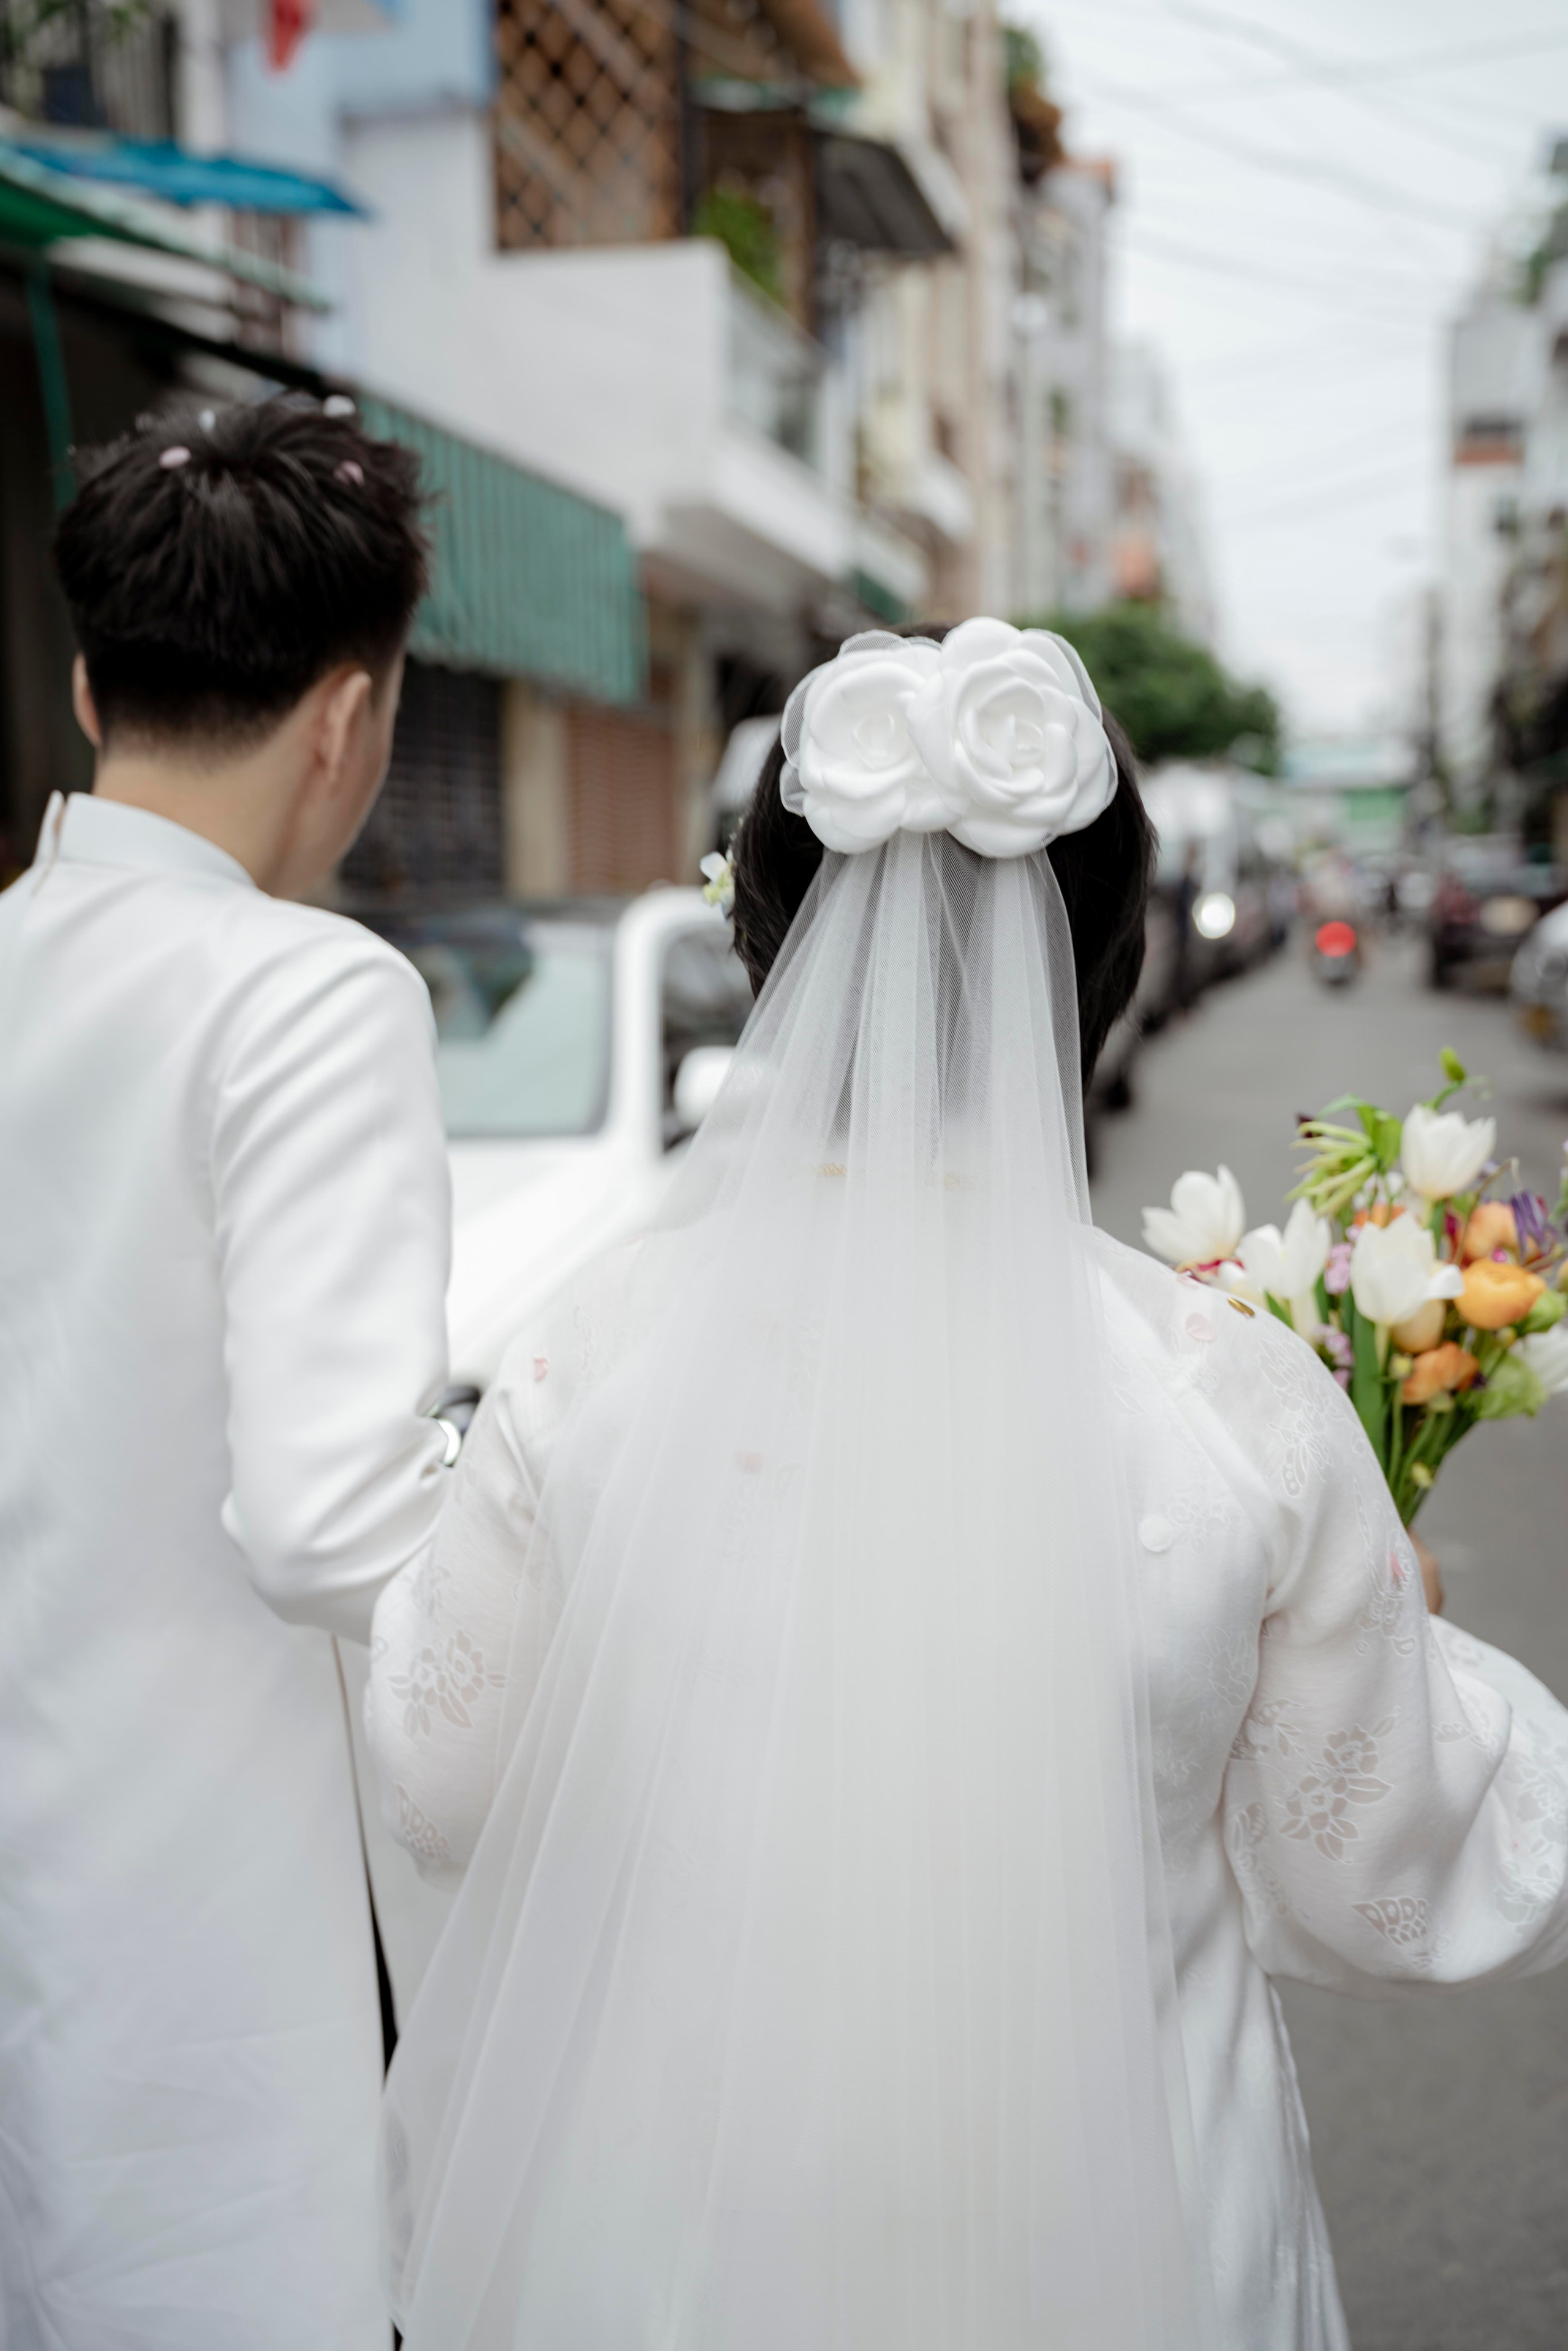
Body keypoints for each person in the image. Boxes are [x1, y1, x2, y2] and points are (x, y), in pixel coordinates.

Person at [367, 622, 1568, 2351]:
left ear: (766, 947)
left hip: (674, 2230)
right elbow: (1382, 1874)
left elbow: (440, 1779)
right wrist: (1432, 1650)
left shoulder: (581, 1361)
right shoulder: (1231, 1403)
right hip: (1131, 2221)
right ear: (1111, 969)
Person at [0, 399, 454, 2349]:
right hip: (208, 1912)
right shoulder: (308, 990)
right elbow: (331, 1512)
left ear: (93, 687)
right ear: (349, 717)